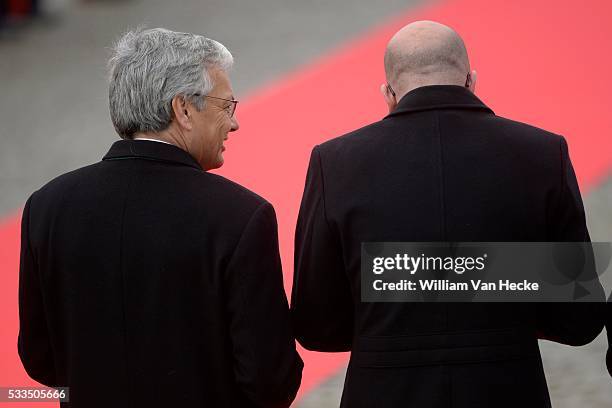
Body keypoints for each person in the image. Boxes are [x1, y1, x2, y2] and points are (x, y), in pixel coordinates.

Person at [291, 20, 604, 407]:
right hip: (507, 390)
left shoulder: (334, 163)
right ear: (471, 81)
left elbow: (316, 324)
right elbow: (580, 319)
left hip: (383, 393)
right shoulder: (541, 153)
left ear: (388, 93)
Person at [18, 28, 302, 408]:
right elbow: (270, 380)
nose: (233, 124)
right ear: (182, 109)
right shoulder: (239, 216)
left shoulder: (47, 205)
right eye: (226, 106)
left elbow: (40, 357)